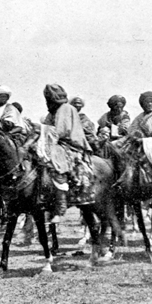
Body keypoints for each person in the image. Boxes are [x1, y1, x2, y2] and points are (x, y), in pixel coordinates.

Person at [39, 83, 93, 223]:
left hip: (71, 145)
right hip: (56, 142)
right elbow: (46, 126)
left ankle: (61, 208)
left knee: (55, 163)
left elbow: (61, 130)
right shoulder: (52, 112)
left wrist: (46, 137)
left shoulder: (65, 108)